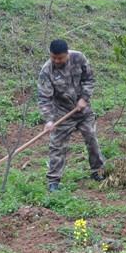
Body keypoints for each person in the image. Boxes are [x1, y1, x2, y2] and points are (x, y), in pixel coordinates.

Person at [38, 39, 105, 192]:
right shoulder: (46, 71)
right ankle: (53, 181)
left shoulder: (78, 58)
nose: (56, 60)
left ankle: (98, 171)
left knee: (91, 138)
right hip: (61, 113)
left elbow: (90, 79)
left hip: (83, 110)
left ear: (67, 54)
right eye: (53, 57)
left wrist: (84, 99)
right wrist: (49, 120)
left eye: (60, 58)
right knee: (57, 146)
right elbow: (44, 98)